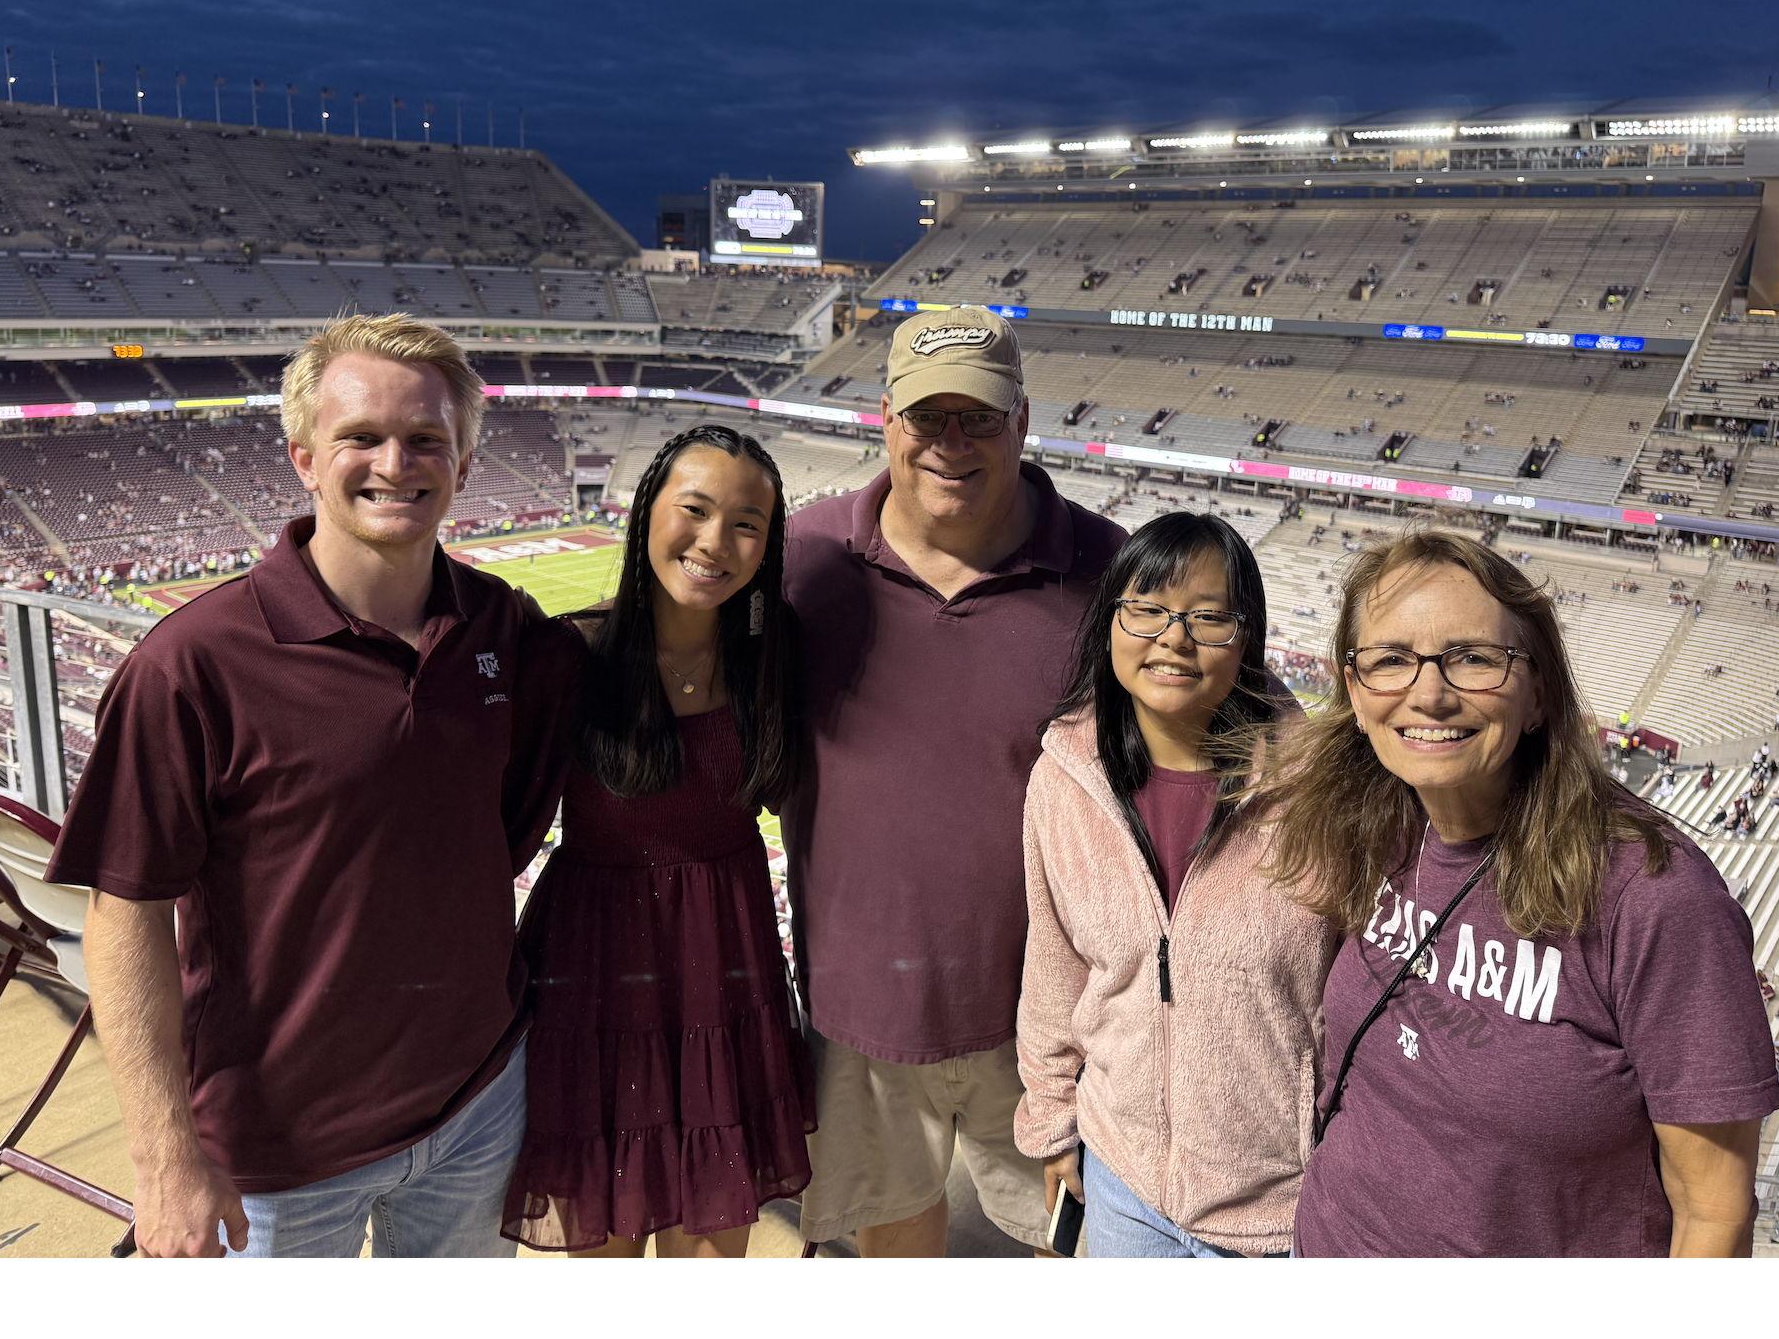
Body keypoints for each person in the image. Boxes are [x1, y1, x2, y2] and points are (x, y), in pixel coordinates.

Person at [45, 314, 581, 1257]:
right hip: (277, 1151)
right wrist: (164, 1154)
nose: (395, 463)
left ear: (462, 461)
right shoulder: (192, 664)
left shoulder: (501, 623)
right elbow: (125, 911)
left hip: (479, 1104)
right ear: (301, 457)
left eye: (426, 440)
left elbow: (502, 821)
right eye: (360, 437)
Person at [1251, 529, 1779, 1257]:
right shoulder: (1378, 823)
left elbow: (1713, 1211)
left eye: (1472, 658)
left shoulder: (1655, 896)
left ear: (1538, 694)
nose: (1428, 694)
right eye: (1391, 660)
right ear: (1353, 688)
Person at [780, 305, 1126, 1255]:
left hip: (1056, 1024)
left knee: (1075, 1258)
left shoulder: (1110, 570)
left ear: (1023, 421)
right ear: (885, 419)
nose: (951, 444)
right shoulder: (803, 559)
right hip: (860, 1013)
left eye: (978, 417)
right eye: (929, 418)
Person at [502, 426, 813, 1257]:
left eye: (747, 524)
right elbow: (498, 828)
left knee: (716, 1243)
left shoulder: (771, 656)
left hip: (727, 966)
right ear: (647, 514)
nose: (717, 542)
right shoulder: (570, 655)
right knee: (602, 1242)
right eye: (696, 510)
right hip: (596, 969)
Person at [1016, 513, 1333, 1257]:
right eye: (1147, 609)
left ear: (1247, 636)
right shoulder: (1064, 781)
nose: (1174, 637)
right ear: (1110, 623)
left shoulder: (1320, 791)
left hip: (1284, 1201)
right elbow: (1054, 968)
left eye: (1207, 617)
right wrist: (1054, 1121)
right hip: (1123, 1180)